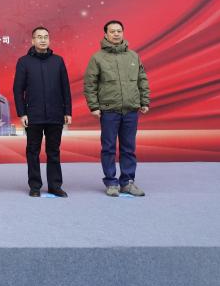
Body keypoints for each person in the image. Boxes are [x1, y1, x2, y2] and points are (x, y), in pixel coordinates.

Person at [84, 20, 150, 197]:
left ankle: (127, 182)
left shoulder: (133, 56)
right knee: (108, 148)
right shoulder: (97, 58)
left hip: (130, 110)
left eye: (119, 31)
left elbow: (142, 80)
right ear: (105, 34)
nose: (116, 34)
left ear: (123, 33)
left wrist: (144, 101)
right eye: (112, 31)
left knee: (129, 148)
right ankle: (111, 182)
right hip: (109, 110)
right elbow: (90, 84)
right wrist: (94, 106)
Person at [13, 26, 72, 198]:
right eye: (39, 37)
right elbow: (18, 90)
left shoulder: (58, 61)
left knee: (54, 151)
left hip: (55, 114)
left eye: (46, 37)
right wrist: (22, 113)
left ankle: (55, 185)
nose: (43, 40)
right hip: (33, 115)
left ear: (49, 40)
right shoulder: (24, 62)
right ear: (33, 40)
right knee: (33, 151)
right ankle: (35, 186)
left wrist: (67, 111)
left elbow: (65, 88)